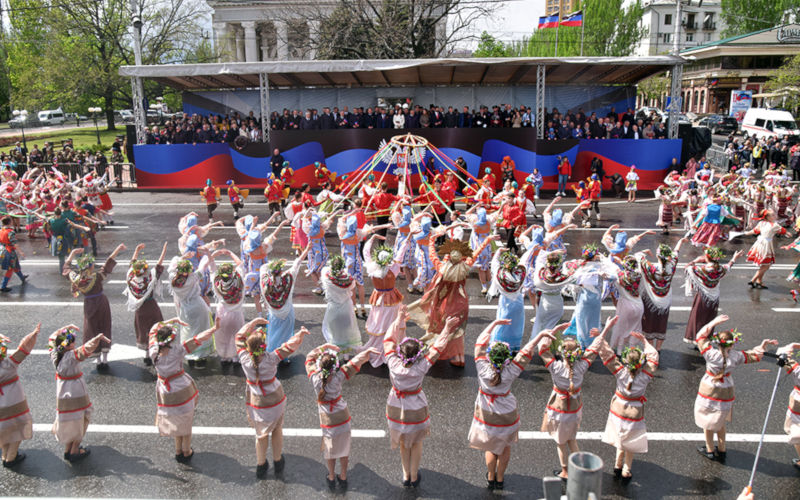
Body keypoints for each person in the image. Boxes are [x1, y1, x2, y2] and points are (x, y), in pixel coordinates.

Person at [469, 320, 556, 491]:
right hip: (507, 412)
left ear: (490, 356)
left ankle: (491, 477)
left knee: (491, 447)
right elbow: (525, 352)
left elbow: (479, 343)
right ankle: (500, 479)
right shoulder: (512, 370)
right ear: (507, 358)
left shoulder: (482, 367)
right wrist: (539, 335)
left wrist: (494, 324)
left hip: (487, 412)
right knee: (505, 447)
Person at [384, 308, 459, 488]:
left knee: (403, 442)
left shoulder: (393, 362)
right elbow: (438, 347)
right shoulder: (422, 365)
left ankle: (405, 474)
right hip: (416, 406)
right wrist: (447, 328)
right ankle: (414, 475)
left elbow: (387, 339)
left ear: (400, 353)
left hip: (396, 405)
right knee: (416, 442)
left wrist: (399, 319)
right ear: (418, 355)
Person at [537, 317, 617, 479]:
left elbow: (542, 348)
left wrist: (554, 331)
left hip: (558, 409)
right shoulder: (582, 366)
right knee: (572, 439)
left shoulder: (556, 367)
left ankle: (565, 471)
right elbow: (595, 346)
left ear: (563, 353)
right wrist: (606, 327)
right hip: (574, 410)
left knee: (560, 443)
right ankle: (580, 466)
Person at [694, 315, 776, 462]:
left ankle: (710, 449)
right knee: (721, 421)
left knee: (708, 422)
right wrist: (763, 346)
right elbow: (754, 356)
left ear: (717, 343)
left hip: (709, 389)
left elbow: (700, 336)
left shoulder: (710, 354)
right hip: (726, 390)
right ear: (732, 345)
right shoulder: (736, 356)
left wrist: (714, 322)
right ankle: (722, 448)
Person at [236, 318, 311, 478]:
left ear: (248, 348)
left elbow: (239, 337)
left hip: (258, 401)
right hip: (275, 398)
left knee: (261, 434)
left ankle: (261, 464)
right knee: (277, 428)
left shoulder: (245, 360)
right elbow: (290, 346)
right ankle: (277, 460)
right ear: (264, 346)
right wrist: (301, 333)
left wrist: (253, 322)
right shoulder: (272, 358)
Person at [410, 234, 495, 367]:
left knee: (439, 329)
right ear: (462, 258)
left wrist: (432, 240)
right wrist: (487, 240)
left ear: (449, 258)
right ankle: (459, 358)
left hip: (443, 304)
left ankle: (437, 353)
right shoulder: (465, 267)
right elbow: (477, 252)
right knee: (458, 331)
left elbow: (432, 254)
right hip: (460, 304)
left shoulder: (442, 268)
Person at [306, 344, 380, 492]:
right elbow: (355, 362)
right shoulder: (339, 376)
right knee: (344, 448)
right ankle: (344, 475)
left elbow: (309, 358)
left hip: (327, 420)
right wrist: (366, 352)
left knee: (330, 448)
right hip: (342, 417)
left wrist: (323, 347)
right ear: (335, 367)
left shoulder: (314, 378)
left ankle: (332, 476)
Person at [149, 318, 219, 463]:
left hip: (165, 391)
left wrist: (171, 320)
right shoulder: (178, 351)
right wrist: (214, 329)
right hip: (181, 388)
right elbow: (198, 339)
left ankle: (177, 450)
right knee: (186, 419)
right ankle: (186, 450)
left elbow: (153, 328)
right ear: (171, 339)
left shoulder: (153, 352)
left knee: (175, 419)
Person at [597, 330, 658, 482]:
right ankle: (626, 469)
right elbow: (654, 358)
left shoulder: (621, 373)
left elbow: (608, 355)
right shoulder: (645, 376)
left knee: (620, 435)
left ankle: (617, 464)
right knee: (631, 440)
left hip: (618, 408)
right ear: (640, 363)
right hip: (635, 411)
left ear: (625, 361)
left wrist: (600, 337)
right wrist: (644, 341)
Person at [49, 326, 109, 462]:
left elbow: (52, 338)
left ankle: (67, 449)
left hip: (62, 392)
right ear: (68, 345)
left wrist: (65, 329)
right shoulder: (71, 356)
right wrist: (97, 339)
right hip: (76, 392)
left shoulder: (55, 354)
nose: (74, 344)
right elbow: (86, 349)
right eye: (72, 342)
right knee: (81, 419)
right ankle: (75, 449)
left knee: (69, 420)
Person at [64, 244, 126, 371]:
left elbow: (66, 269)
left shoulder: (76, 279)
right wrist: (117, 249)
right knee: (105, 326)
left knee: (92, 328)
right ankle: (104, 358)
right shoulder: (95, 277)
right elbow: (107, 265)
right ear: (91, 267)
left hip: (89, 304)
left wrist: (72, 253)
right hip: (101, 303)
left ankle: (97, 359)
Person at [362, 234, 412, 367]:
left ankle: (379, 348)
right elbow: (401, 251)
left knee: (379, 323)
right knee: (393, 322)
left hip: (378, 299)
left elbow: (365, 252)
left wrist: (371, 238)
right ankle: (393, 347)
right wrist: (410, 235)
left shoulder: (371, 267)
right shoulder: (394, 268)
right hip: (392, 299)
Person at [259, 244, 311, 358]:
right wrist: (306, 249)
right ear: (281, 271)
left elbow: (263, 268)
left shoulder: (265, 282)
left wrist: (273, 264)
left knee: (273, 335)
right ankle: (285, 356)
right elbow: (297, 263)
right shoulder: (288, 278)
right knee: (286, 336)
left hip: (274, 314)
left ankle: (272, 355)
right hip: (288, 314)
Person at [0, 323, 39, 468]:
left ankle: (5, 455)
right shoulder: (9, 365)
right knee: (18, 430)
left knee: (4, 430)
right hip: (15, 404)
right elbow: (23, 349)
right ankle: (11, 458)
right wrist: (33, 334)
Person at [683, 247, 742, 345]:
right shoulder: (719, 268)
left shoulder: (702, 269)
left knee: (699, 319)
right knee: (709, 320)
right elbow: (728, 267)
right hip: (714, 298)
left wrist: (695, 261)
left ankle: (698, 341)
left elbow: (687, 268)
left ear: (706, 257)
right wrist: (734, 258)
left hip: (703, 297)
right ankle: (705, 340)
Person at [637, 240, 686, 351]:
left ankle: (650, 349)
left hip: (651, 300)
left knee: (649, 324)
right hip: (665, 301)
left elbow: (638, 256)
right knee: (661, 323)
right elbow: (676, 253)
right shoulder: (672, 266)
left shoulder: (651, 268)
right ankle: (658, 350)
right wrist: (681, 241)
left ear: (658, 256)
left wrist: (645, 252)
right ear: (668, 257)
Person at [167, 255, 214, 369]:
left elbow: (171, 267)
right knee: (201, 330)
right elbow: (203, 266)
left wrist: (182, 257)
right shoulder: (193, 277)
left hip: (185, 308)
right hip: (198, 305)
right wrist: (210, 254)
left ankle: (190, 355)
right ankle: (200, 357)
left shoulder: (173, 279)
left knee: (188, 331)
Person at [125, 242, 168, 365]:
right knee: (155, 327)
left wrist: (136, 250)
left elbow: (131, 265)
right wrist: (164, 250)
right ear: (144, 271)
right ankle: (155, 352)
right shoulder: (149, 279)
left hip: (140, 309)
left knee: (143, 329)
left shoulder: (131, 279)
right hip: (151, 306)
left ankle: (146, 354)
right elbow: (159, 266)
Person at [320, 255, 362, 357]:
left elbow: (324, 270)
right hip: (347, 308)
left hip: (333, 309)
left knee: (335, 334)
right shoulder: (349, 280)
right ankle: (346, 356)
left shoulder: (327, 279)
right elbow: (352, 285)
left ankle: (336, 355)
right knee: (346, 332)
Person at [209, 250, 247, 367]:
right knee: (237, 334)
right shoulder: (239, 281)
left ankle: (224, 356)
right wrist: (230, 253)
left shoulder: (217, 282)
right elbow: (241, 264)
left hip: (222, 312)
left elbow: (211, 265)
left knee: (223, 335)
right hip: (236, 313)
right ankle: (236, 356)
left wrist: (215, 254)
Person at [744, 209, 787, 289]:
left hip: (759, 244)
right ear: (767, 217)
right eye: (773, 215)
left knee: (764, 264)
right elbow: (783, 231)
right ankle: (753, 280)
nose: (775, 216)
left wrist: (746, 233)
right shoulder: (774, 225)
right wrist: (789, 233)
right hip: (766, 246)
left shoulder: (762, 223)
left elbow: (755, 231)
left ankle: (759, 281)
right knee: (766, 265)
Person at [777, 341, 800, 470]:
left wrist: (791, 346)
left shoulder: (797, 370)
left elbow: (781, 354)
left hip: (798, 403)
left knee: (796, 430)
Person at [0, 216, 27, 293]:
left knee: (15, 265)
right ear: (9, 222)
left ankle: (22, 278)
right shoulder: (10, 232)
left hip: (2, 250)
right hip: (9, 252)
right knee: (10, 268)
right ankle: (3, 286)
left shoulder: (1, 230)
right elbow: (15, 244)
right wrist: (21, 252)